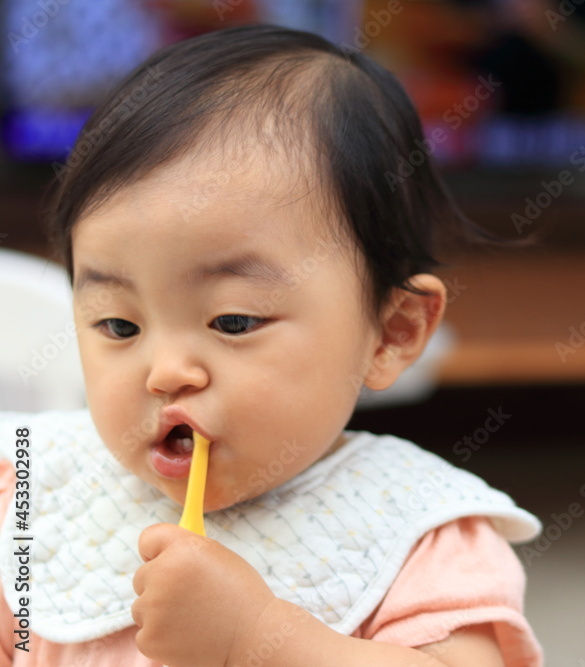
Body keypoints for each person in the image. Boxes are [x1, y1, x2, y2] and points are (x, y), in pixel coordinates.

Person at [0, 24, 542, 667]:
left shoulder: (423, 532)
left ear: (392, 332)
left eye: (233, 321)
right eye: (119, 326)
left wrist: (256, 640)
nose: (166, 372)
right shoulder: (32, 485)